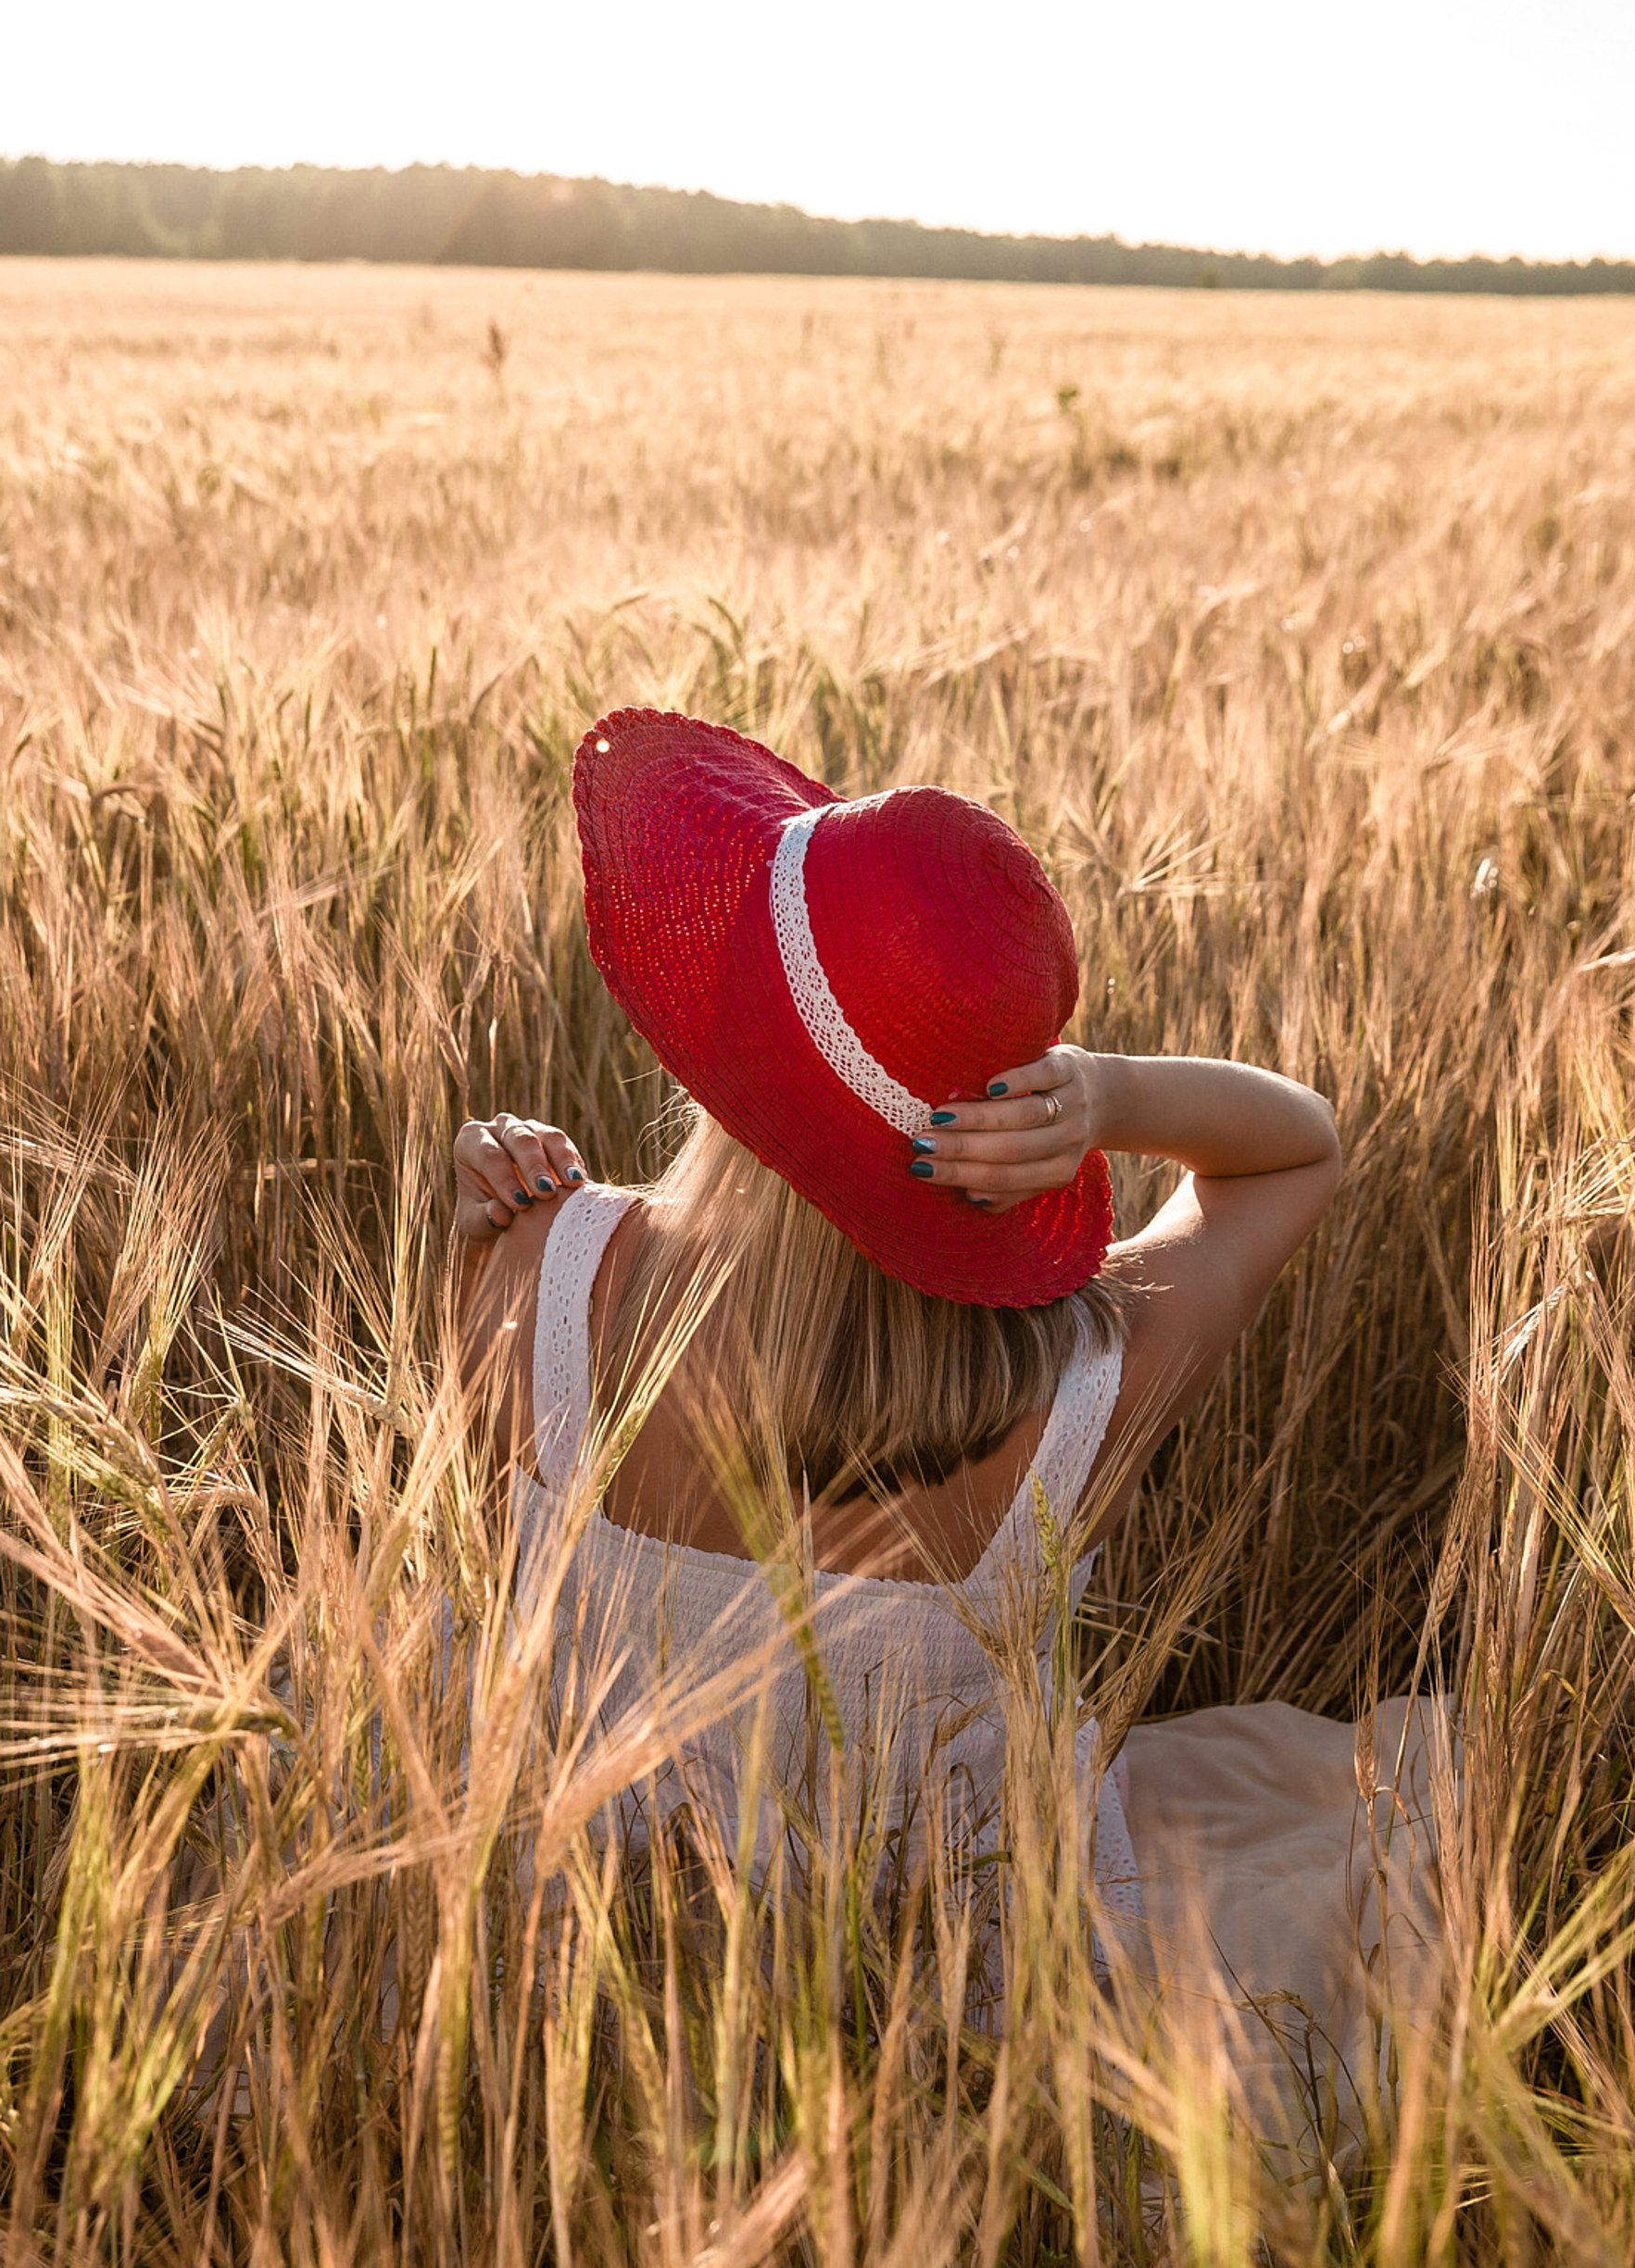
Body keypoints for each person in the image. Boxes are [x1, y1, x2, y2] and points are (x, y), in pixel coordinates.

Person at [451, 707, 1444, 2181]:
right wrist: (1110, 1096)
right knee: (1393, 1824)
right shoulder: (1087, 1385)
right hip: (963, 2026)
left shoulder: (539, 1267)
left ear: (721, 1045)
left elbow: (486, 1615)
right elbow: (1296, 1147)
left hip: (580, 1990)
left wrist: (486, 1219)